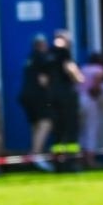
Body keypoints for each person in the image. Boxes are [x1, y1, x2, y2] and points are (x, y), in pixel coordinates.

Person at [45, 32, 85, 170]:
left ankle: (58, 163)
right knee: (71, 127)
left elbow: (44, 80)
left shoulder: (48, 56)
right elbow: (70, 70)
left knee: (58, 130)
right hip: (67, 95)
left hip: (52, 96)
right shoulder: (64, 53)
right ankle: (71, 162)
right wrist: (79, 78)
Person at [20, 35, 54, 168]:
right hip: (37, 95)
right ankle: (36, 154)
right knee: (46, 122)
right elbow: (42, 80)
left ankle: (35, 153)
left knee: (36, 124)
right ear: (42, 45)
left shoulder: (30, 58)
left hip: (25, 95)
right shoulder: (41, 58)